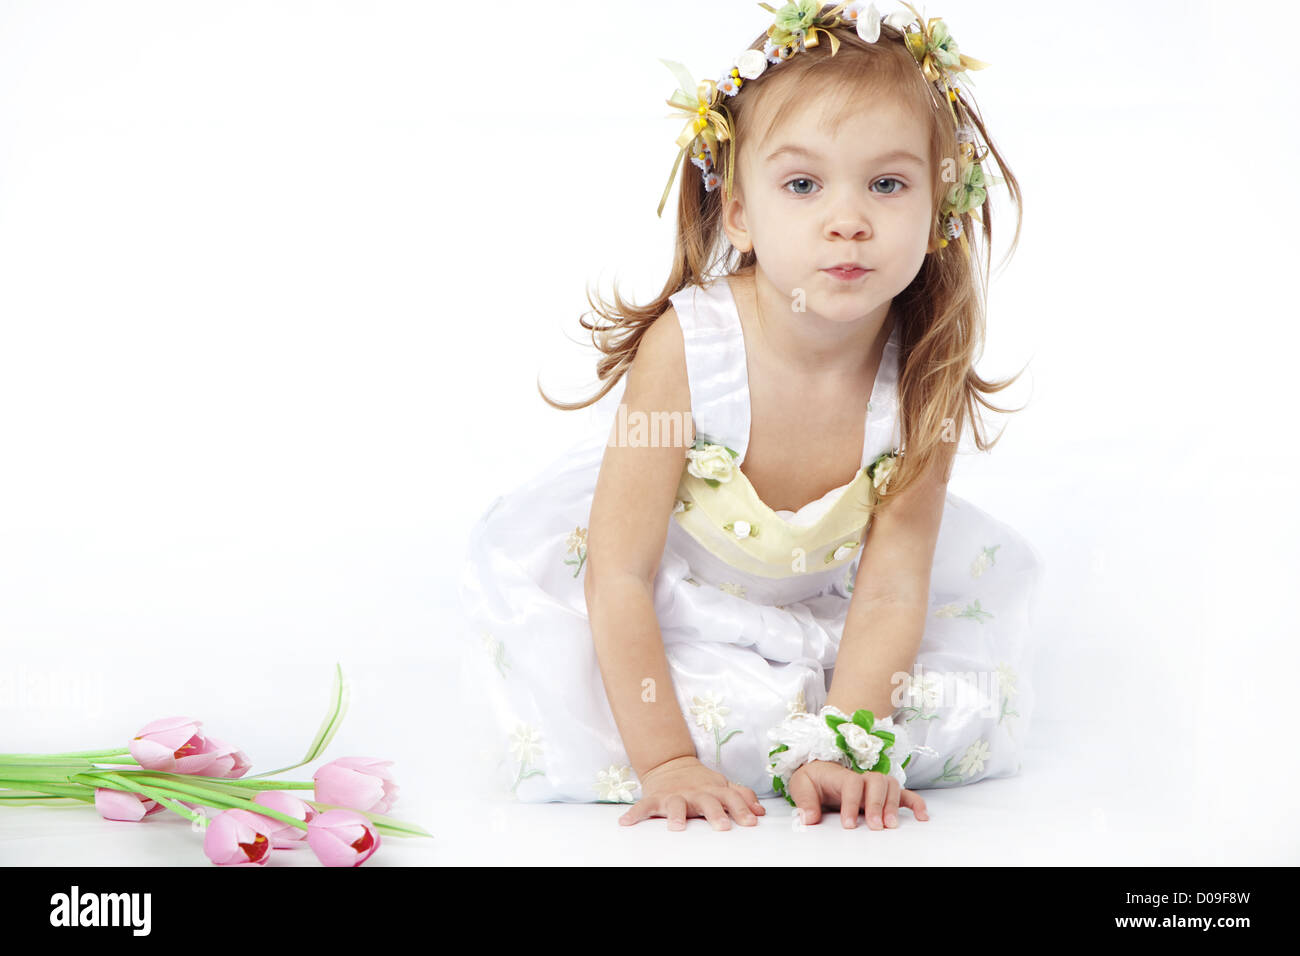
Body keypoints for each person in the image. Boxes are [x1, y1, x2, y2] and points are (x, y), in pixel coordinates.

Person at [458, 0, 1044, 832]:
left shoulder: (923, 372)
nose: (849, 218)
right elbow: (620, 574)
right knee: (673, 714)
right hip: (669, 595)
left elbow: (889, 590)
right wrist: (667, 760)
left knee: (946, 709)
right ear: (739, 210)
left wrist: (849, 745)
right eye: (803, 184)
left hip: (827, 600)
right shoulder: (689, 349)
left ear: (940, 208)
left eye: (888, 183)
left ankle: (813, 746)